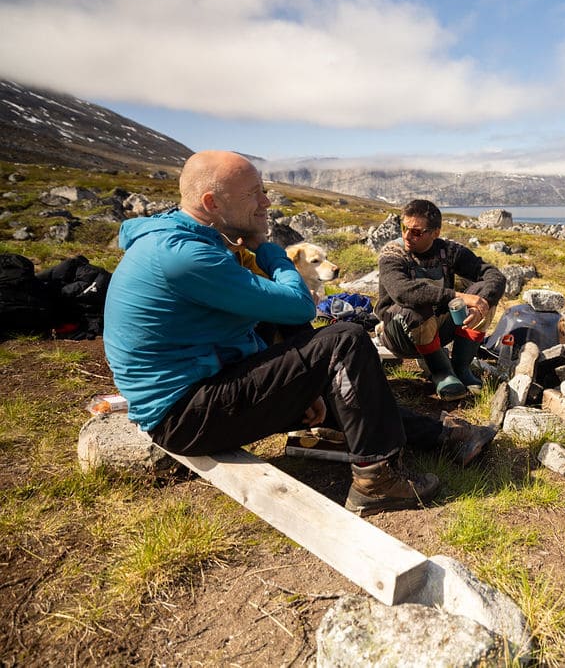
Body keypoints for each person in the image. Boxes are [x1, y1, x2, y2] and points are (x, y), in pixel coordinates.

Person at [104, 150, 441, 515]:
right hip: (182, 416)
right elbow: (298, 304)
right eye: (254, 193)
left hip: (202, 385)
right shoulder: (184, 255)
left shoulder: (190, 240)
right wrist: (270, 251)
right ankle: (378, 481)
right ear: (211, 203)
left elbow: (243, 328)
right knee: (344, 340)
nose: (266, 202)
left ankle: (442, 437)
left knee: (328, 366)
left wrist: (301, 387)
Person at [376, 199, 507, 400]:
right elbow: (403, 293)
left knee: (484, 294)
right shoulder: (392, 253)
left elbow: (494, 275)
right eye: (404, 227)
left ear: (435, 232)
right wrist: (457, 296)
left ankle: (460, 368)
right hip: (399, 333)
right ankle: (441, 373)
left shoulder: (449, 251)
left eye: (416, 232)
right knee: (417, 306)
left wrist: (482, 303)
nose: (407, 235)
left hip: (437, 330)